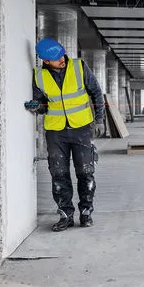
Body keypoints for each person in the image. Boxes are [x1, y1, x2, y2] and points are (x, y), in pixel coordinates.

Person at [26, 38, 106, 232]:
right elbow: (43, 104)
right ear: (45, 61)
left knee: (85, 172)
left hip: (81, 128)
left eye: (62, 55)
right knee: (59, 174)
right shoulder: (39, 76)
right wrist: (37, 107)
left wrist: (100, 119)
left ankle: (86, 213)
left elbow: (96, 92)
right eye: (56, 58)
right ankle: (65, 215)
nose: (62, 59)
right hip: (56, 132)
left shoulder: (79, 67)